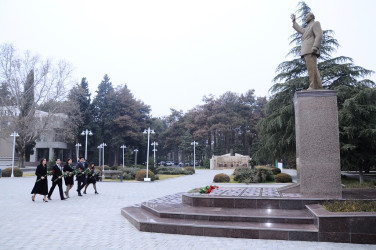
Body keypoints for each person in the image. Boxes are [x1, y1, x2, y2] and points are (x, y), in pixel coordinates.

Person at [291, 12, 323, 90]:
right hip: (306, 50)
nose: (305, 18)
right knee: (313, 68)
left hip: (311, 49)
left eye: (306, 17)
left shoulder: (315, 23)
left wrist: (315, 46)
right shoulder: (308, 27)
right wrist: (294, 21)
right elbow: (301, 30)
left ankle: (313, 86)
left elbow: (319, 35)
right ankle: (318, 86)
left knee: (312, 69)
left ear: (311, 17)